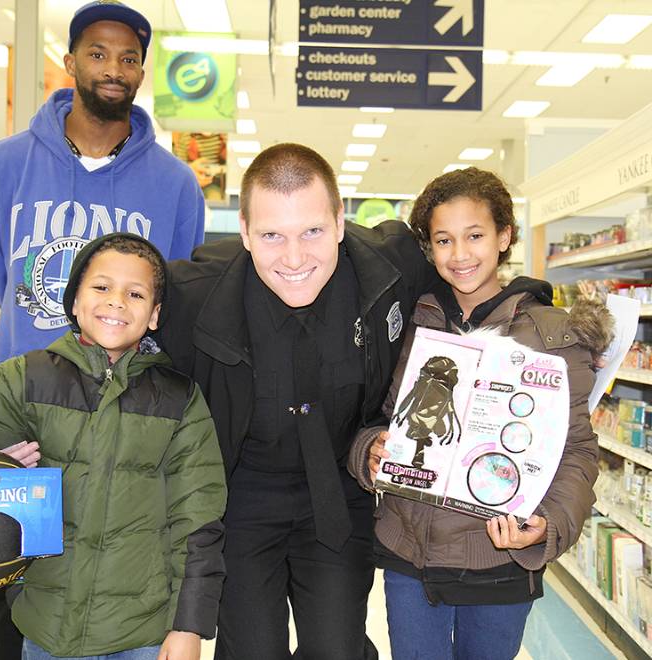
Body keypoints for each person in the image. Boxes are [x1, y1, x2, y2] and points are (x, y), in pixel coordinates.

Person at [0, 233, 227, 660]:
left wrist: (189, 627)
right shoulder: (28, 380)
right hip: (46, 631)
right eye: (101, 287)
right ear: (73, 300)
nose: (117, 301)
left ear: (155, 314)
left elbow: (198, 519)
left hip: (145, 634)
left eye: (136, 292)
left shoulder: (180, 400)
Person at [154, 143, 439, 659]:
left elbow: (468, 269)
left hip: (337, 490)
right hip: (239, 500)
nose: (293, 258)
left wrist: (539, 314)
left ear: (340, 221)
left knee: (337, 648)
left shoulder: (391, 268)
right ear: (243, 232)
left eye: (312, 231)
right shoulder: (191, 296)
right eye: (270, 235)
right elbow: (104, 325)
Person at [347, 167, 611, 659]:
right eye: (444, 240)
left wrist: (549, 523)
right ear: (429, 246)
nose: (460, 254)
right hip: (411, 557)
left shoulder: (551, 334)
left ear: (504, 236)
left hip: (499, 557)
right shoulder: (407, 320)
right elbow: (378, 415)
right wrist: (370, 451)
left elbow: (577, 449)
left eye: (475, 236)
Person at [0, 0, 206, 369]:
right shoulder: (7, 163)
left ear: (141, 75)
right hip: (18, 388)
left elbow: (172, 296)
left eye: (128, 60)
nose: (113, 70)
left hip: (122, 398)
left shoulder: (176, 184)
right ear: (71, 63)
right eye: (97, 54)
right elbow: (1, 278)